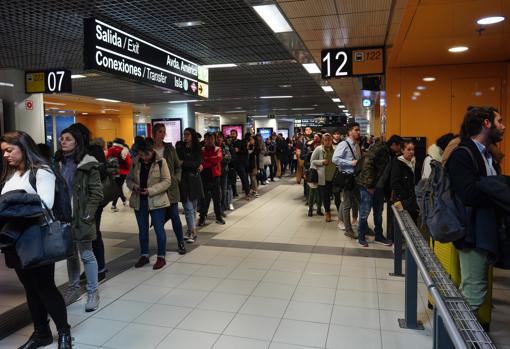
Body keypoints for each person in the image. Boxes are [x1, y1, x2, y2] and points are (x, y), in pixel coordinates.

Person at [0, 131, 73, 349]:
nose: (6, 155)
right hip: (15, 241)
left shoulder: (41, 171)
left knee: (45, 287)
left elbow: (45, 203)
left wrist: (10, 202)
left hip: (37, 238)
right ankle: (41, 333)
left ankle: (64, 333)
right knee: (30, 289)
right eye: (3, 151)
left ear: (23, 148)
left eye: (9, 150)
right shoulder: (11, 175)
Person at [447, 106, 505, 313]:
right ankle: (453, 341)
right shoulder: (463, 154)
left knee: (473, 287)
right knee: (474, 292)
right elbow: (469, 194)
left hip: (486, 228)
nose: (503, 127)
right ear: (486, 123)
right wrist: (497, 189)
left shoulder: (488, 155)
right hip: (472, 232)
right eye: (499, 121)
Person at [55, 126, 103, 313]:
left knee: (86, 255)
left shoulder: (88, 163)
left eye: (67, 138)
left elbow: (96, 193)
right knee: (71, 255)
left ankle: (93, 292)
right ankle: (73, 288)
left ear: (77, 141)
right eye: (61, 138)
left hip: (81, 216)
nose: (63, 141)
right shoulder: (56, 162)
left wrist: (88, 214)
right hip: (63, 216)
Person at [126, 138, 172, 269]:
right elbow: (128, 179)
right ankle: (144, 255)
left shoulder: (161, 162)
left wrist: (150, 191)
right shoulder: (135, 162)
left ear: (152, 151)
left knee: (159, 229)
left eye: (146, 154)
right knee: (142, 230)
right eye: (141, 155)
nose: (143, 158)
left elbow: (167, 181)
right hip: (139, 201)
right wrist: (134, 187)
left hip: (157, 201)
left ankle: (161, 257)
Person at [356, 135, 402, 247]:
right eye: (399, 146)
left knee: (378, 213)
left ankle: (379, 236)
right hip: (368, 186)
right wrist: (369, 185)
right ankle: (361, 236)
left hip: (379, 187)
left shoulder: (392, 154)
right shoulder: (379, 148)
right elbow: (368, 163)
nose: (400, 149)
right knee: (364, 212)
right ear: (394, 145)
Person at [152, 123, 186, 255]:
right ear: (154, 133)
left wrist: (176, 178)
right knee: (158, 219)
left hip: (171, 188)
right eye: (160, 131)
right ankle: (161, 246)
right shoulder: (150, 149)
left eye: (163, 131)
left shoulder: (170, 149)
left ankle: (181, 242)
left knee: (175, 217)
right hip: (155, 189)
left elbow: (178, 166)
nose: (162, 134)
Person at [333, 122, 361, 238]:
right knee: (347, 204)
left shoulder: (356, 145)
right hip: (346, 178)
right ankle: (348, 229)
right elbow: (335, 159)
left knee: (353, 201)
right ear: (349, 132)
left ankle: (344, 221)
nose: (358, 132)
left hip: (354, 178)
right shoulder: (344, 144)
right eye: (356, 130)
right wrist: (350, 163)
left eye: (359, 130)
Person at [176, 128, 204, 243]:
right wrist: (190, 164)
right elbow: (178, 162)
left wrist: (185, 163)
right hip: (183, 180)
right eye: (184, 134)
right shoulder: (180, 147)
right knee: (187, 207)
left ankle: (190, 230)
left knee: (192, 208)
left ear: (192, 135)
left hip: (195, 180)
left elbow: (198, 163)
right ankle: (192, 232)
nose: (185, 136)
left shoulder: (197, 148)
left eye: (187, 134)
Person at [198, 133, 224, 225]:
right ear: (205, 140)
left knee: (217, 198)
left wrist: (207, 159)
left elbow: (217, 159)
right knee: (204, 199)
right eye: (207, 139)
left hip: (215, 176)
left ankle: (219, 216)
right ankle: (202, 217)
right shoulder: (201, 150)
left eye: (211, 139)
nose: (209, 141)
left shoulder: (218, 149)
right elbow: (201, 161)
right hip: (204, 176)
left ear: (214, 139)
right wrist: (210, 160)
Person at [391, 140, 419, 222]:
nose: (411, 152)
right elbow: (394, 183)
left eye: (413, 149)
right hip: (403, 201)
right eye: (409, 149)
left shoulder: (415, 162)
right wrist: (406, 197)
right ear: (402, 150)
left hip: (414, 201)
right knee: (403, 225)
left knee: (413, 224)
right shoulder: (398, 163)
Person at [312, 133, 337, 222]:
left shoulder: (336, 149)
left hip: (335, 176)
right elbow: (312, 161)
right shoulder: (318, 149)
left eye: (329, 140)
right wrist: (322, 162)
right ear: (322, 141)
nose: (327, 142)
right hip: (324, 177)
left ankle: (341, 214)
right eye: (325, 140)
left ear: (332, 140)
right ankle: (327, 213)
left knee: (337, 196)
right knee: (326, 197)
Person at [106, 138, 131, 212]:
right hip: (122, 172)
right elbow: (128, 163)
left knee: (117, 187)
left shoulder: (110, 149)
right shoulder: (124, 150)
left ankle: (124, 201)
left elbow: (106, 159)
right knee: (118, 188)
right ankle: (113, 205)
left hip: (112, 172)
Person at [229, 129, 251, 200]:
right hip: (232, 164)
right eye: (231, 134)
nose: (232, 135)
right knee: (232, 179)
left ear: (236, 134)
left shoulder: (241, 142)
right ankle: (234, 193)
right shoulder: (229, 143)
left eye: (234, 134)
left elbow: (245, 152)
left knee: (244, 178)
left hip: (240, 163)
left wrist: (239, 150)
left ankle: (247, 193)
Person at [216, 132, 231, 216]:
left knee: (223, 191)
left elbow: (229, 158)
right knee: (216, 192)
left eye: (220, 137)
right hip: (214, 173)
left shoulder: (225, 147)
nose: (219, 139)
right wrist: (221, 158)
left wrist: (220, 159)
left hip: (224, 172)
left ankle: (221, 209)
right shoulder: (212, 148)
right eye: (217, 137)